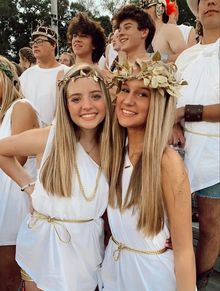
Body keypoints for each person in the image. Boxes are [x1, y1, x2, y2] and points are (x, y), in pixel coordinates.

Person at [0, 64, 112, 291]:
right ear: (65, 105)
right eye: (75, 99)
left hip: (86, 243)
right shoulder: (50, 138)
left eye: (95, 96)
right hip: (45, 242)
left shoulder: (113, 145)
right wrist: (28, 185)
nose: (86, 106)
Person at [101, 56, 196, 291]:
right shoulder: (113, 152)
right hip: (114, 267)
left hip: (151, 277)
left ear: (158, 103)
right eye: (125, 90)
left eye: (142, 94)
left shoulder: (167, 162)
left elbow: (184, 250)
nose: (128, 101)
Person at [175, 0, 220, 289]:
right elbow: (171, 99)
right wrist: (174, 122)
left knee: (210, 223)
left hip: (217, 154)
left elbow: (180, 107)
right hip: (179, 151)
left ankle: (199, 284)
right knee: (171, 223)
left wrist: (185, 112)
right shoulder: (185, 57)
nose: (211, 2)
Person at [0, 55, 39, 290]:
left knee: (9, 273)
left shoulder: (22, 107)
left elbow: (18, 158)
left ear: (9, 79)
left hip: (15, 197)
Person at [19, 25, 68, 126]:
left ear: (53, 45)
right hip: (30, 136)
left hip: (58, 133)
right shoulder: (26, 75)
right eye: (33, 43)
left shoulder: (67, 72)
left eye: (40, 41)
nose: (35, 45)